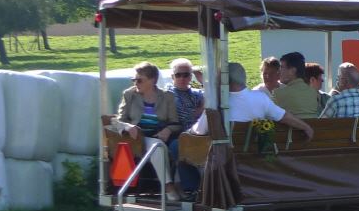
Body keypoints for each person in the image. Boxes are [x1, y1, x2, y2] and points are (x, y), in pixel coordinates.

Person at [190, 62, 314, 139]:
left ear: (224, 81)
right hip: (251, 159)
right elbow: (284, 116)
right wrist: (306, 127)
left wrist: (188, 131)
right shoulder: (261, 98)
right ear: (244, 78)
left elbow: (199, 131)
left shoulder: (216, 103)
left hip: (224, 161)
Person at [116, 61, 182, 201]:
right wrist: (127, 127)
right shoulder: (129, 94)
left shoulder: (167, 96)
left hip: (160, 136)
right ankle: (168, 186)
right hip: (137, 138)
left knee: (178, 145)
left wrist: (168, 129)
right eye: (134, 80)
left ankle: (183, 185)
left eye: (139, 80)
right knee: (156, 147)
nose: (136, 83)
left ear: (152, 80)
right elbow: (117, 121)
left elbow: (176, 123)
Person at [165, 58, 204, 195]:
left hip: (198, 134)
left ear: (191, 76)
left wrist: (204, 82)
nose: (182, 78)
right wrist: (202, 109)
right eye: (178, 75)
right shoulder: (169, 94)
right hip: (177, 134)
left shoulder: (197, 93)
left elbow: (212, 102)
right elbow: (186, 116)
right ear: (172, 77)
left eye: (186, 74)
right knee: (180, 147)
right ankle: (190, 188)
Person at [271, 52, 321, 118]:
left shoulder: (278, 94)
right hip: (313, 125)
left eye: (282, 67)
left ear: (293, 71)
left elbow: (270, 116)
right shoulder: (314, 93)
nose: (278, 71)